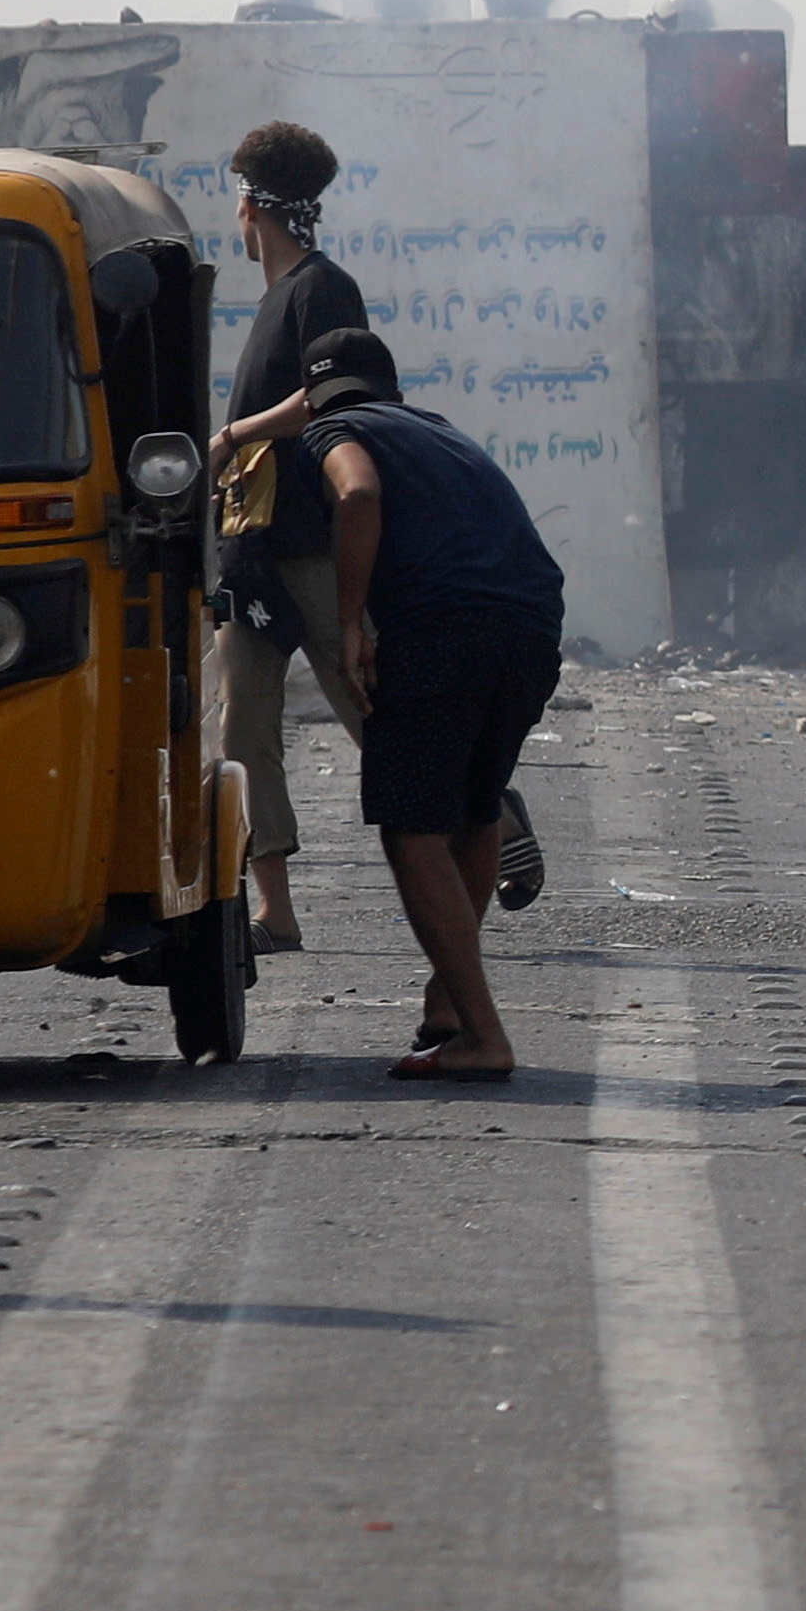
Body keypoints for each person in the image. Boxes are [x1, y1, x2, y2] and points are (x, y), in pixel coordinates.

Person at [297, 326, 570, 1090]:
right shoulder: (437, 431)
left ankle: (483, 1034)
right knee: (475, 812)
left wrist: (350, 622)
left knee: (413, 830)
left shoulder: (333, 430)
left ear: (313, 397)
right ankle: (449, 1004)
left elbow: (357, 492)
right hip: (529, 626)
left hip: (441, 631)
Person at [201, 120, 377, 950]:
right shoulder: (276, 299)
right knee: (241, 724)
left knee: (368, 700)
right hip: (255, 548)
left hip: (310, 539)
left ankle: (485, 818)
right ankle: (274, 907)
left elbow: (332, 394)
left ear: (250, 204)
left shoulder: (320, 287)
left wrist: (235, 435)